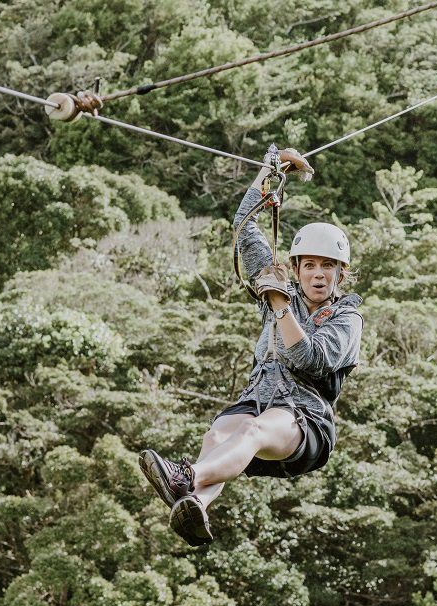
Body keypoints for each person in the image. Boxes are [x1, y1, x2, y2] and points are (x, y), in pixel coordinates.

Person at [139, 149, 364, 546]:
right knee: (218, 434)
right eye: (308, 265)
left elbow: (308, 358)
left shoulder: (346, 320)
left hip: (303, 417)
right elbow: (244, 230)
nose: (317, 274)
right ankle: (196, 507)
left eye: (326, 266)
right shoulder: (282, 291)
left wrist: (278, 305)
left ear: (340, 273)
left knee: (252, 430)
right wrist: (269, 170)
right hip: (257, 398)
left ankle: (186, 478)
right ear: (296, 269)